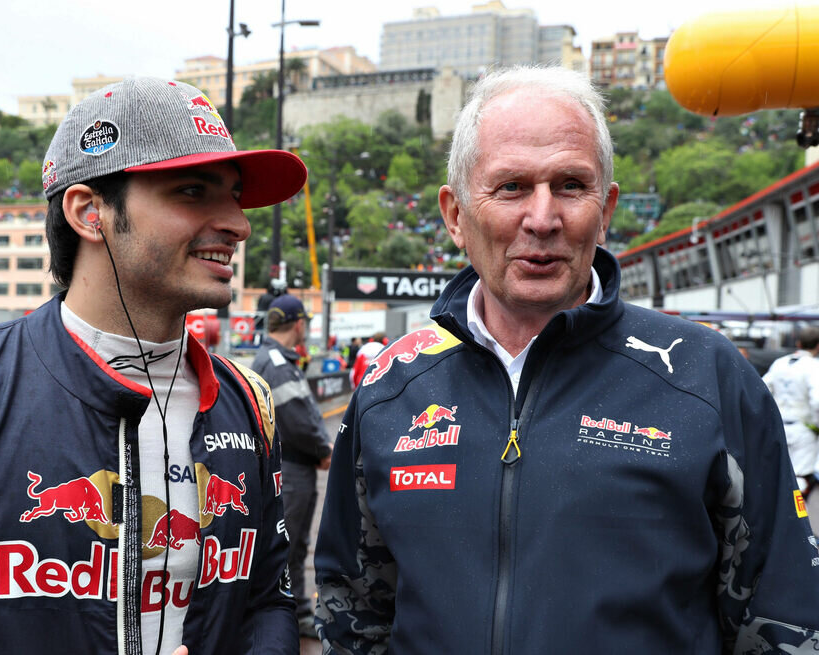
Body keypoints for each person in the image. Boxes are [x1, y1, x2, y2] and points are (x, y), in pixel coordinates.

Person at [314, 66, 819, 654]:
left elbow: (783, 618)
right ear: (455, 216)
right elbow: (353, 616)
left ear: (605, 211)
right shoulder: (390, 390)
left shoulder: (706, 376)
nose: (543, 218)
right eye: (511, 187)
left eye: (571, 186)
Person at [0, 77, 308, 655]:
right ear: (89, 211)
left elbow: (269, 600)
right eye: (193, 191)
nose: (239, 223)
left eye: (236, 196)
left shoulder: (248, 401)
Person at [250, 295, 332, 639]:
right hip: (292, 468)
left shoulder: (275, 358)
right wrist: (324, 449)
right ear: (298, 324)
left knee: (293, 544)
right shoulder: (278, 363)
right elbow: (297, 419)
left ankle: (294, 611)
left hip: (292, 466)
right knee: (291, 544)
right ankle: (294, 615)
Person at [764, 326, 819, 497]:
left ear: (798, 342)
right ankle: (798, 519)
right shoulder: (813, 366)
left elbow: (761, 389)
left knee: (779, 478)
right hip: (804, 431)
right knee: (801, 481)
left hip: (780, 429)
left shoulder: (780, 363)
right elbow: (817, 401)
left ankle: (783, 519)